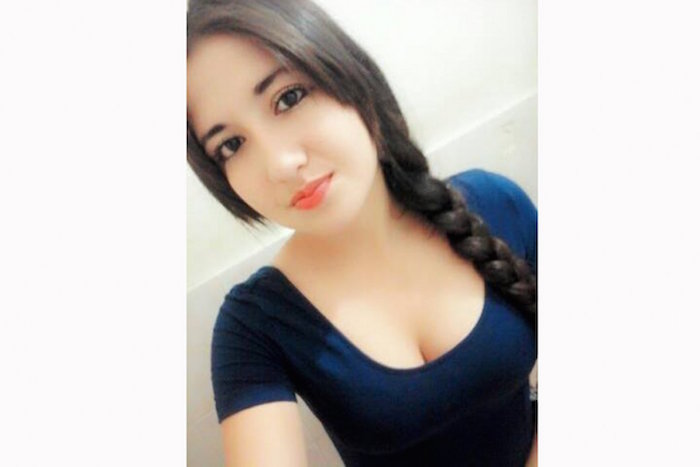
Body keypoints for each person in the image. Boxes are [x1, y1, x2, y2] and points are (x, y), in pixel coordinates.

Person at [187, 0, 538, 465]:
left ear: (348, 74)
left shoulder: (495, 203)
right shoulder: (254, 325)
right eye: (231, 145)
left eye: (288, 98)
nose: (280, 164)